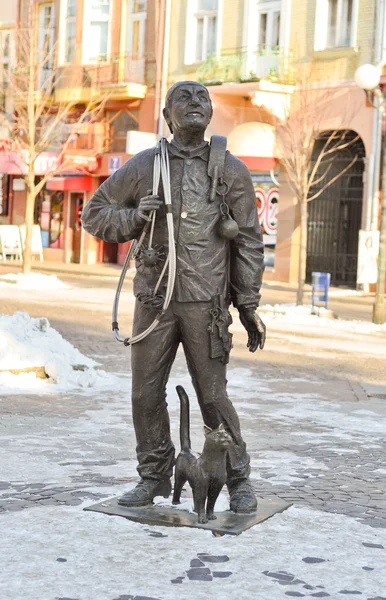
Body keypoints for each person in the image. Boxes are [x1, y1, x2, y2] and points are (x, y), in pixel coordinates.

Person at [81, 81, 266, 513]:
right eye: (183, 98)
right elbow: (94, 212)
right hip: (154, 300)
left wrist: (249, 303)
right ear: (167, 116)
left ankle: (237, 477)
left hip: (207, 303)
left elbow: (249, 242)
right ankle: (153, 476)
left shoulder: (231, 170)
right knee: (145, 394)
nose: (195, 103)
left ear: (211, 113)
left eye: (202, 97)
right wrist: (132, 216)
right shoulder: (145, 166)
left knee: (213, 396)